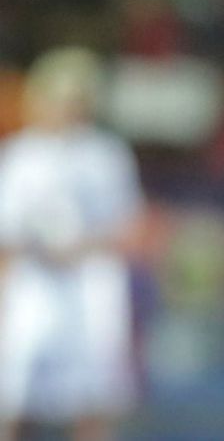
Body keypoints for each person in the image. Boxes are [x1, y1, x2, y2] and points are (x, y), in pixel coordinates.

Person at [0, 47, 143, 441]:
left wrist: (82, 246)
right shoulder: (20, 156)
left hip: (90, 285)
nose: (66, 108)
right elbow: (6, 236)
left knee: (91, 401)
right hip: (32, 286)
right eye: (59, 98)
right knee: (14, 397)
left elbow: (129, 226)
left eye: (75, 99)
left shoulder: (105, 155)